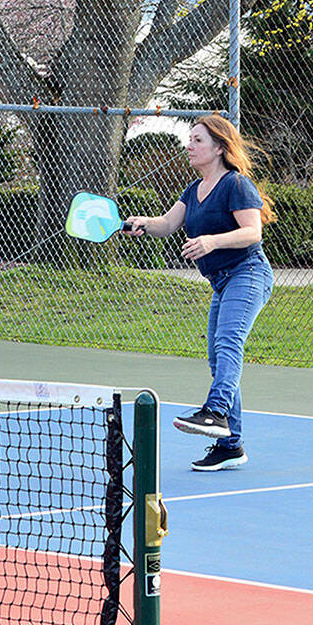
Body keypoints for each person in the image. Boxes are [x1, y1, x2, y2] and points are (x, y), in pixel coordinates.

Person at [124, 114, 274, 471]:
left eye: (197, 140)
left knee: (228, 344)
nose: (189, 145)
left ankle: (217, 412)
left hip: (248, 273)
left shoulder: (236, 184)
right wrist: (144, 223)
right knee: (216, 357)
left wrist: (210, 241)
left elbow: (253, 232)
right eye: (189, 139)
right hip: (221, 281)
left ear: (219, 148)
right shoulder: (193, 190)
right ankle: (231, 446)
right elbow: (168, 224)